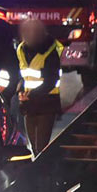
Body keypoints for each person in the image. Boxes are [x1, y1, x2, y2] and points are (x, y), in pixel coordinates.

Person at [17, 18, 63, 153]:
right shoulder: (21, 49)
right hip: (28, 104)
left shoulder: (50, 52)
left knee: (41, 147)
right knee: (33, 146)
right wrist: (20, 89)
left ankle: (42, 172)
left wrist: (30, 94)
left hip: (46, 104)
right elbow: (23, 74)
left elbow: (51, 81)